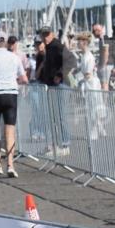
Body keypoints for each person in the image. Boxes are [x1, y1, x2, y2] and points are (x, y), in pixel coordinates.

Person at [0, 34, 27, 177]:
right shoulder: (14, 57)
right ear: (5, 42)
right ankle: (11, 165)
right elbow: (24, 78)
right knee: (10, 132)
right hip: (11, 95)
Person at [35, 27, 70, 155]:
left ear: (52, 34)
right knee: (52, 116)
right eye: (43, 34)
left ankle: (65, 144)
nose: (45, 37)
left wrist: (60, 75)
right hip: (50, 85)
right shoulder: (48, 48)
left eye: (47, 34)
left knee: (60, 115)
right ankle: (53, 144)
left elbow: (70, 60)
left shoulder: (57, 46)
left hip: (59, 85)